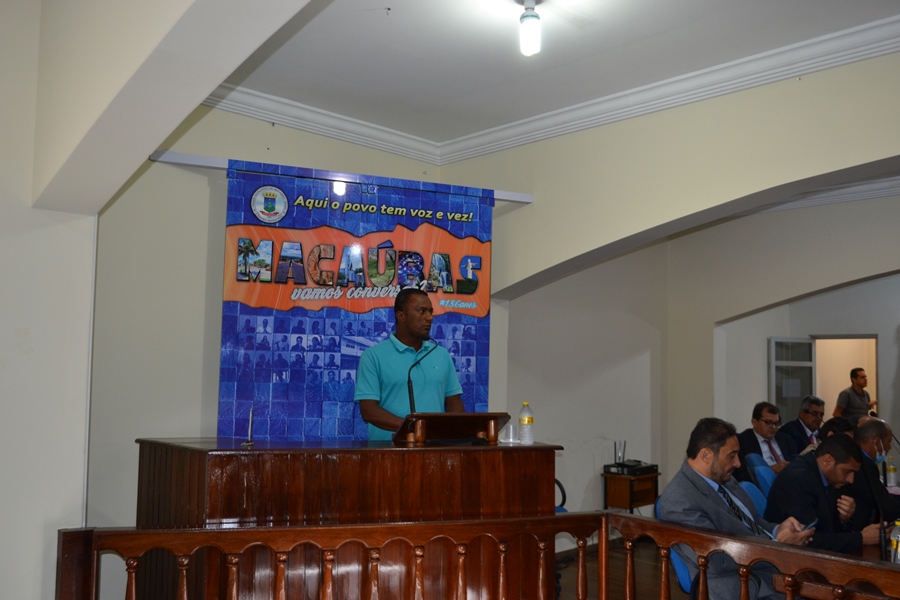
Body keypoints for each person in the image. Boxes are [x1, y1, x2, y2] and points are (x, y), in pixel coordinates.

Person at [658, 417, 812, 600]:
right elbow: (715, 560)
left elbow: (753, 522)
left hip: (763, 566)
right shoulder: (679, 500)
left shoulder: (725, 478)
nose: (738, 463)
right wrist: (775, 544)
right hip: (738, 583)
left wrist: (778, 529)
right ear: (706, 455)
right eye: (731, 456)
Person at [354, 288, 464, 440]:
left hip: (434, 448)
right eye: (422, 311)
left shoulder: (442, 355)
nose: (429, 318)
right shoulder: (373, 356)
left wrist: (451, 431)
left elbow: (454, 403)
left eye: (430, 312)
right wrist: (413, 427)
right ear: (401, 316)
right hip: (388, 449)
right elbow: (368, 411)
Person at [764, 434, 883, 553]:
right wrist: (860, 538)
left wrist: (843, 520)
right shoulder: (797, 480)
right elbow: (807, 540)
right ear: (827, 461)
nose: (851, 479)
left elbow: (827, 529)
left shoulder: (825, 475)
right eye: (847, 471)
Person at [847, 417, 900, 530]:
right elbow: (886, 506)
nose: (889, 447)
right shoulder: (864, 465)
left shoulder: (860, 458)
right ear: (876, 442)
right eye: (888, 441)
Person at [734, 402, 797, 482]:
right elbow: (739, 476)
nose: (773, 427)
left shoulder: (785, 439)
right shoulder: (742, 441)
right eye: (768, 423)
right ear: (755, 422)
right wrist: (770, 470)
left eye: (776, 423)